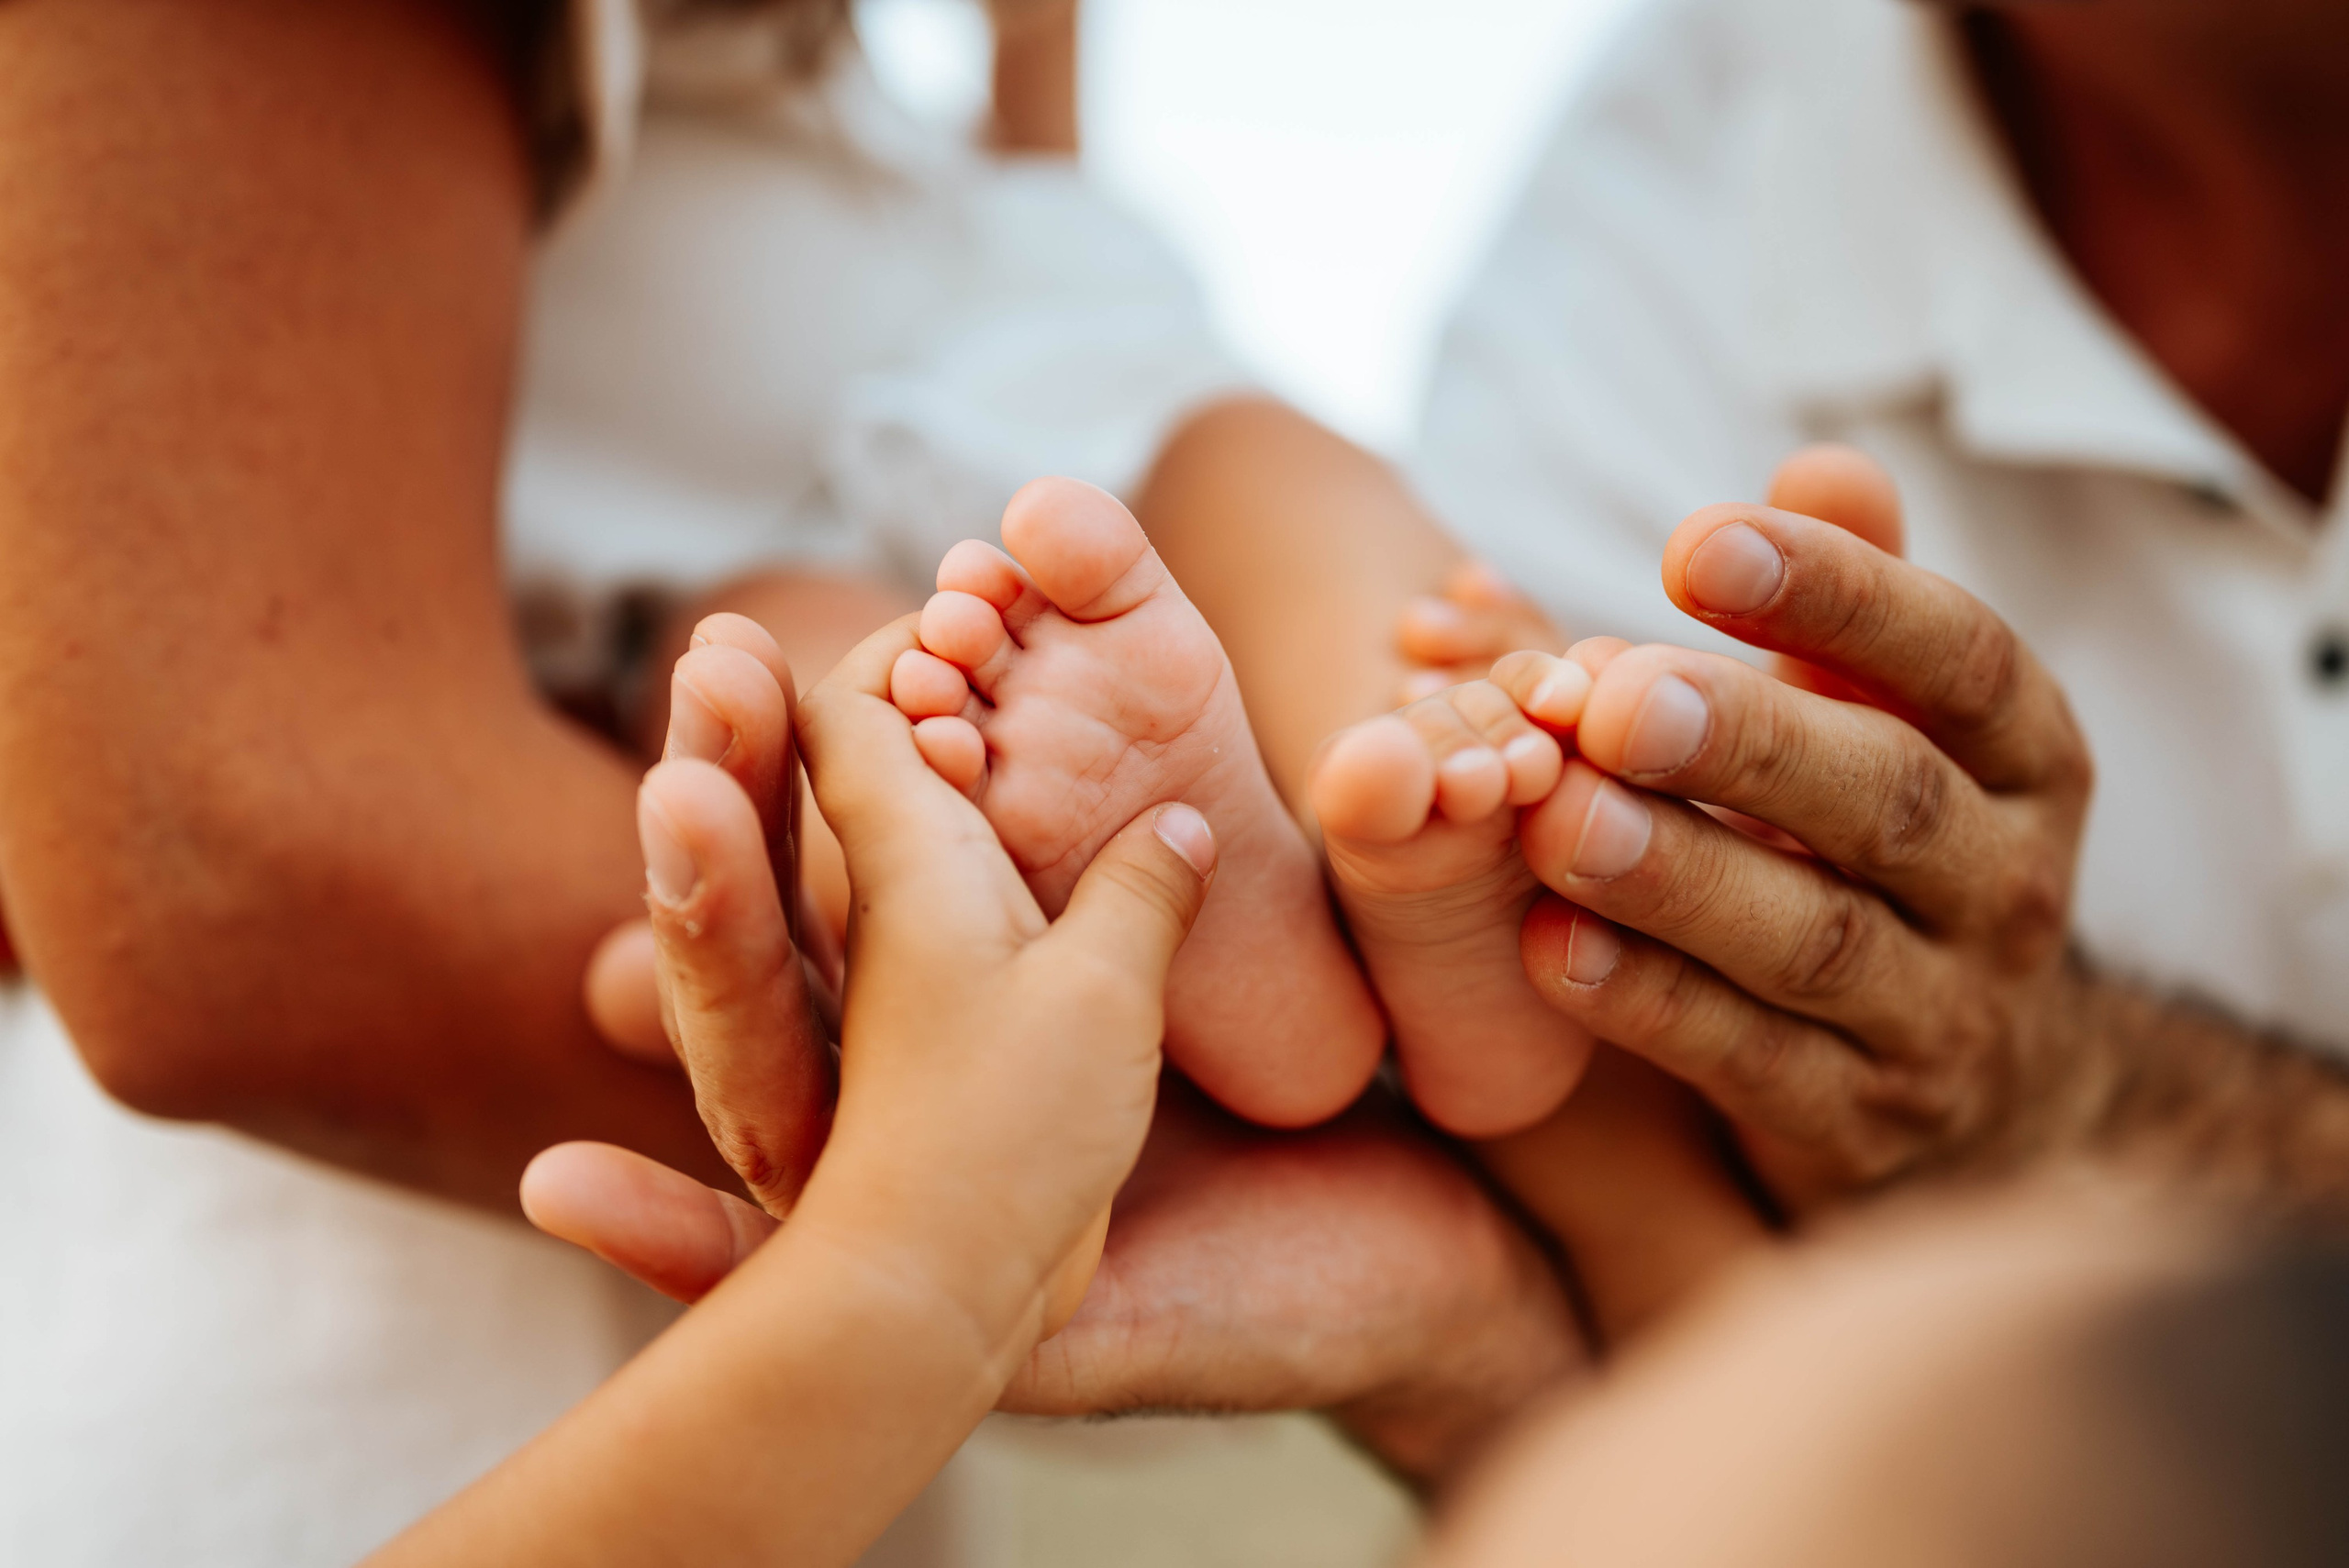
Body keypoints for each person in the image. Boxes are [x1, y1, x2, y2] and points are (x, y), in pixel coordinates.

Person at [0, 2, 1583, 1562]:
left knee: (990, 615)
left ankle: (1353, 838)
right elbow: (218, 832)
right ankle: (1408, 780)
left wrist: (1037, 66)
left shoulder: (830, 111)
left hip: (959, 408)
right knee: (1038, 578)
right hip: (873, 478)